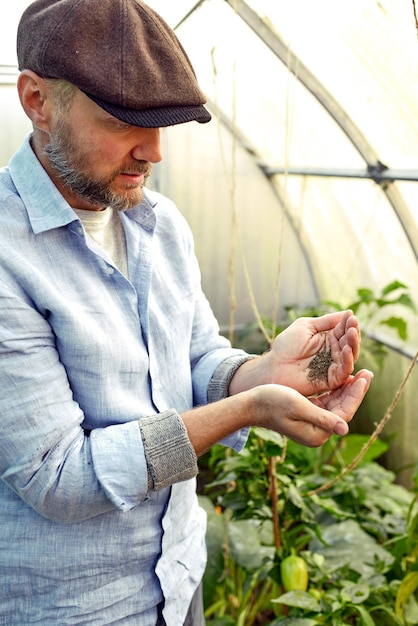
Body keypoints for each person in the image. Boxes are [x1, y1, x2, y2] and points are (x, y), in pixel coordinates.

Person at [0, 0, 373, 624]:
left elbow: (196, 358)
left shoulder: (159, 225)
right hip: (73, 605)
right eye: (125, 121)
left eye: (163, 124)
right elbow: (58, 478)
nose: (154, 153)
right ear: (38, 100)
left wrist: (262, 375)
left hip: (178, 579)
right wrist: (248, 411)